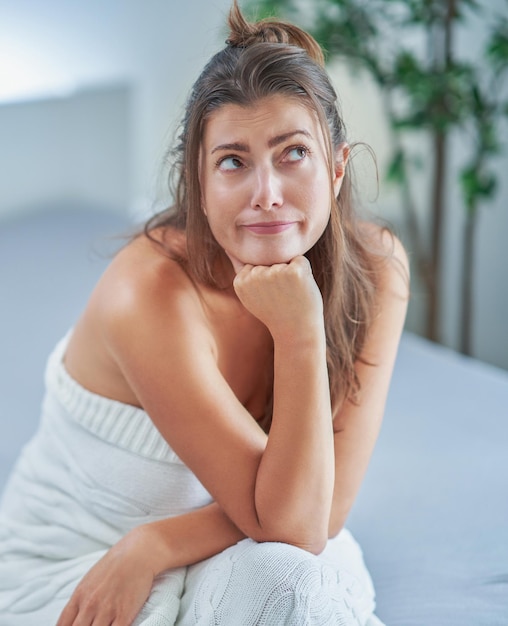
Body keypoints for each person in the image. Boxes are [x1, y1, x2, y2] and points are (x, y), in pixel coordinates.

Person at [0, 2, 409, 624]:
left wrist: (160, 542)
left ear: (337, 165)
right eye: (233, 162)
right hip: (83, 562)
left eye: (292, 153)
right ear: (200, 180)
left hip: (229, 538)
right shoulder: (148, 295)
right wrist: (301, 335)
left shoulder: (378, 270)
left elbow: (313, 521)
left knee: (295, 580)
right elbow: (296, 522)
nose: (265, 193)